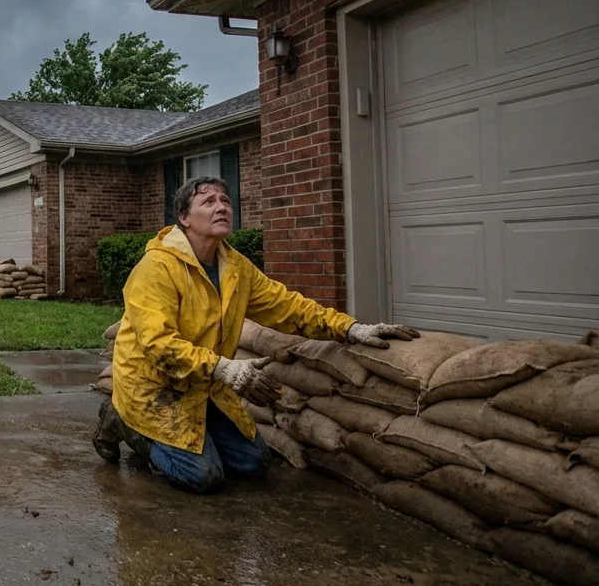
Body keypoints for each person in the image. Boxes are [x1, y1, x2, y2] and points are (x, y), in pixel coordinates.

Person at [93, 176, 419, 493]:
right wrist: (226, 369)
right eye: (208, 201)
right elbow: (158, 345)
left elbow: (287, 306)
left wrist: (349, 328)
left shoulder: (236, 268)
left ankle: (196, 435)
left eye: (225, 200)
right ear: (184, 218)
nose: (221, 207)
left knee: (255, 463)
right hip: (153, 386)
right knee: (203, 477)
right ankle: (122, 419)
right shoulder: (156, 268)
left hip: (202, 386)